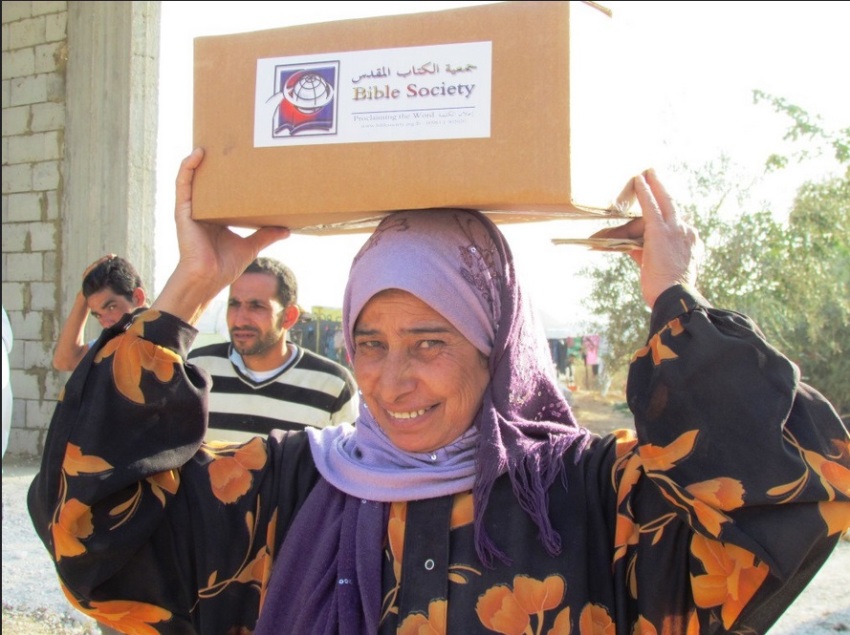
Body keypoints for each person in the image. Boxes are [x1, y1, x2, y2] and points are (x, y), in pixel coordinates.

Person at [27, 148, 849, 634]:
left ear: (495, 347)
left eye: (431, 343)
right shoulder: (286, 484)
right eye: (370, 344)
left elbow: (799, 486)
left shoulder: (591, 498)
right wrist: (182, 298)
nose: (391, 381)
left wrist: (675, 301)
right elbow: (89, 538)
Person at [188, 257, 358, 440]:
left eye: (257, 307)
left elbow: (353, 460)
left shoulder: (333, 385)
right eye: (234, 304)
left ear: (288, 317)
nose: (239, 320)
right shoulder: (196, 370)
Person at [52, 254, 148, 372]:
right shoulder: (111, 344)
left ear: (138, 298)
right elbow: (64, 361)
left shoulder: (167, 336)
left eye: (111, 307)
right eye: (98, 315)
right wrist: (82, 296)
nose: (106, 324)